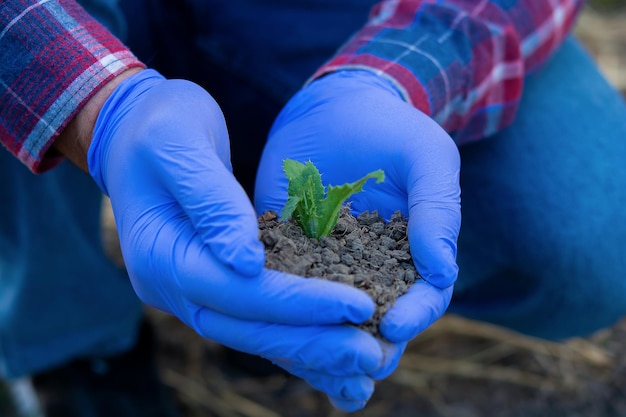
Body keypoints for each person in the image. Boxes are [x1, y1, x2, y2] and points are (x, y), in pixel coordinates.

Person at [1, 0, 625, 416]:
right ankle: (70, 342)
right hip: (61, 19)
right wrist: (94, 105)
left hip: (325, 16)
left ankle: (254, 287)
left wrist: (390, 75)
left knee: (592, 223)